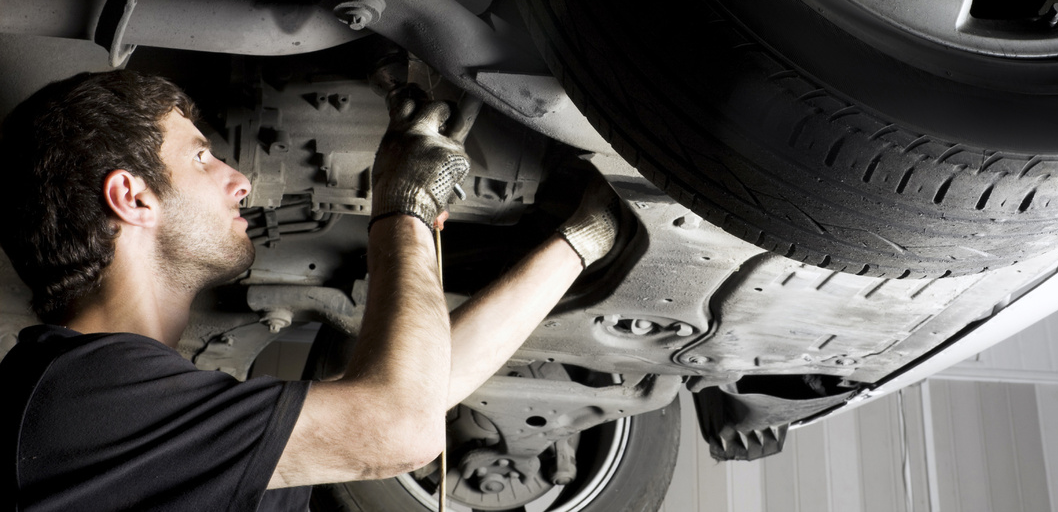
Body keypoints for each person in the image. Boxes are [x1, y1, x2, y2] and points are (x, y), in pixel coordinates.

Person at [0, 69, 618, 511]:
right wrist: (402, 205)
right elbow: (400, 425)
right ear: (131, 197)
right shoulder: (80, 399)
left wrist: (582, 242)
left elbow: (423, 396)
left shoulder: (108, 404)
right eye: (201, 158)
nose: (239, 179)